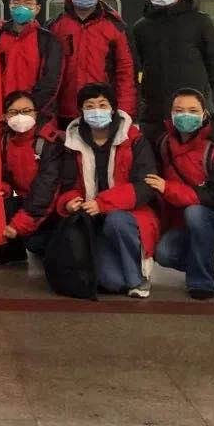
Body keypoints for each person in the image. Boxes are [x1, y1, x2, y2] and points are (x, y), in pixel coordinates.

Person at [55, 83, 159, 298]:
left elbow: (145, 185)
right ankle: (120, 269)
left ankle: (138, 278)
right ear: (81, 111)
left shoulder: (134, 139)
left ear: (113, 109)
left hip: (129, 215)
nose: (96, 110)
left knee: (116, 220)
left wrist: (102, 204)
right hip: (93, 220)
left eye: (102, 105)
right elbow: (67, 184)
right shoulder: (72, 141)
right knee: (111, 282)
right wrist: (69, 201)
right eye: (89, 106)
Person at [150, 88, 214, 299]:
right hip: (184, 224)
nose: (185, 115)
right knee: (164, 253)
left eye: (193, 110)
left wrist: (169, 188)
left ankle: (204, 282)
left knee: (195, 212)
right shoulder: (164, 144)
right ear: (170, 114)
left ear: (204, 114)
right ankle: (201, 262)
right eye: (179, 110)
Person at [132, 0, 214, 141]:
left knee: (199, 147)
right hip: (155, 107)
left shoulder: (200, 21)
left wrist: (203, 90)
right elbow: (139, 63)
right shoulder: (141, 27)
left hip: (194, 103)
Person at [49, 0, 137, 129]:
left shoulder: (116, 27)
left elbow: (126, 72)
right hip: (64, 114)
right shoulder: (55, 26)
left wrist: (125, 112)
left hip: (102, 112)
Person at [0, 91, 65, 265]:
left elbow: (46, 190)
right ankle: (12, 253)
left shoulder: (51, 142)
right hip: (26, 200)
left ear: (36, 113)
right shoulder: (5, 140)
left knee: (36, 243)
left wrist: (19, 224)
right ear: (5, 116)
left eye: (26, 111)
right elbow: (3, 175)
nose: (20, 116)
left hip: (54, 208)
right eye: (14, 112)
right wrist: (2, 189)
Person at [0, 0, 63, 117]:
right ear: (10, 6)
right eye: (16, 3)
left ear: (37, 8)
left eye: (28, 3)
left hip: (35, 113)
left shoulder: (48, 40)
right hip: (2, 113)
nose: (21, 7)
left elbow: (51, 81)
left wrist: (31, 110)